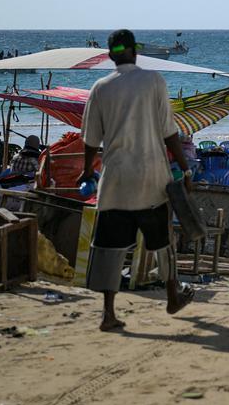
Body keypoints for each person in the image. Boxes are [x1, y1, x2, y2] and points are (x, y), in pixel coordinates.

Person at [79, 29, 194, 332]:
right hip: (151, 178)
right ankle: (173, 296)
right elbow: (170, 133)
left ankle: (108, 312)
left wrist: (87, 171)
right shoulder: (153, 81)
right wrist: (185, 170)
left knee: (110, 248)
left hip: (115, 181)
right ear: (135, 52)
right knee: (163, 243)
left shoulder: (100, 88)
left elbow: (90, 140)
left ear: (110, 55)